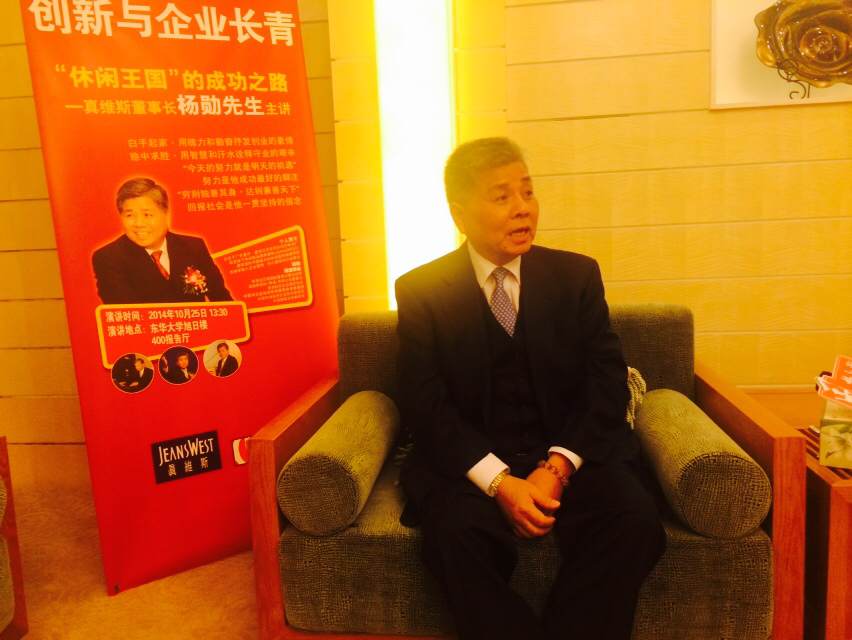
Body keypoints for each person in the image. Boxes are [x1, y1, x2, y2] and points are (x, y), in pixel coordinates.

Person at [395, 137, 666, 640]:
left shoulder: (575, 276)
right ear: (459, 213)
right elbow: (424, 404)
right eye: (502, 196)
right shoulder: (421, 291)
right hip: (472, 466)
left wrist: (557, 467)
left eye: (528, 191)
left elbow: (606, 382)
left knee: (635, 521)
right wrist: (499, 482)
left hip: (572, 455)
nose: (523, 208)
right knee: (452, 538)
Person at [92, 177, 232, 304]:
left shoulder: (194, 247)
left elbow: (223, 300)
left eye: (147, 214)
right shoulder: (108, 258)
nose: (139, 223)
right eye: (129, 215)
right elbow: (125, 312)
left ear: (166, 214)